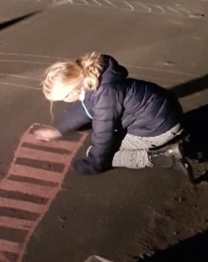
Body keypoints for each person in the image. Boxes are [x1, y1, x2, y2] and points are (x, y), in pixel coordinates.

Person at [34, 52, 191, 177]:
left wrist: (92, 165)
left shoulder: (104, 97)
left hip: (159, 128)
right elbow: (85, 109)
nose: (64, 102)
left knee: (101, 152)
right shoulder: (94, 78)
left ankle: (162, 157)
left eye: (62, 98)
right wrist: (59, 130)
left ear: (73, 91)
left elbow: (103, 134)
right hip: (165, 111)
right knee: (105, 142)